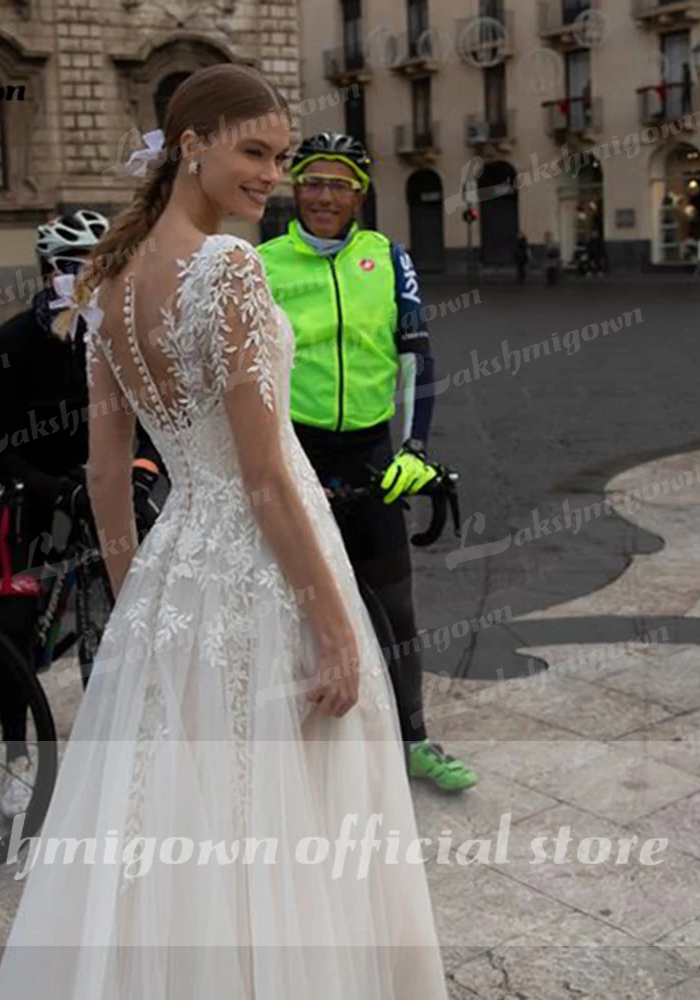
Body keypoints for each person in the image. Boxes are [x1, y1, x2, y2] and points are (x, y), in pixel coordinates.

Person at [0, 65, 448, 1000]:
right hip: (263, 563)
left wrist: (132, 596)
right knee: (288, 806)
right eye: (256, 152)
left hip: (175, 569)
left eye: (281, 157)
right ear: (190, 144)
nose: (274, 176)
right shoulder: (228, 267)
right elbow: (266, 474)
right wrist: (330, 619)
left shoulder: (108, 278)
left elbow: (105, 468)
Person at [257, 132, 478, 792]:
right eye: (314, 181)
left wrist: (414, 449)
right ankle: (300, 755)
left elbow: (416, 355)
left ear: (359, 193)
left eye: (340, 183)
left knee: (395, 607)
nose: (326, 194)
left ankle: (413, 738)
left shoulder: (388, 256)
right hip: (294, 452)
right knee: (290, 607)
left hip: (372, 452)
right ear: (296, 188)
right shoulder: (261, 262)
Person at [0, 210, 166, 817]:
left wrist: (140, 474)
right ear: (44, 272)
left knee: (126, 619)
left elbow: (150, 427)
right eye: (68, 266)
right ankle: (17, 763)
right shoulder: (13, 341)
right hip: (33, 487)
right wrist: (54, 491)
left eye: (96, 265)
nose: (82, 277)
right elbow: (0, 453)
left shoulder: (117, 331)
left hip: (103, 484)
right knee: (12, 632)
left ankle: (125, 755)